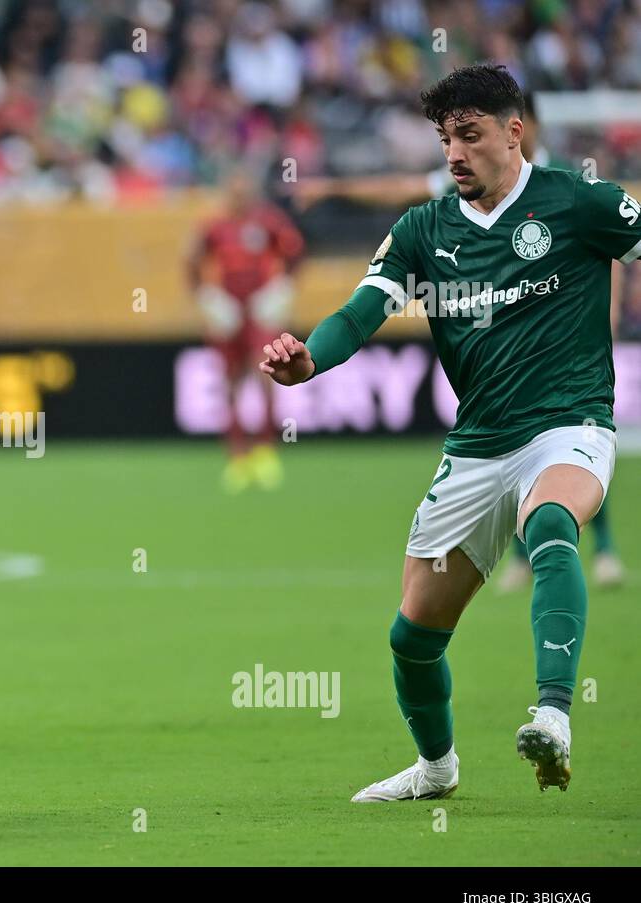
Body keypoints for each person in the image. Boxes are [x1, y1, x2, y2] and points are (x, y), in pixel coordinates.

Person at [259, 65, 640, 799]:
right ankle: (436, 768)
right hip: (477, 447)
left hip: (569, 424)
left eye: (469, 135)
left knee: (552, 521)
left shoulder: (579, 203)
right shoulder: (424, 230)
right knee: (412, 637)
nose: (455, 152)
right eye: (445, 139)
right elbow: (360, 312)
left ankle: (554, 716)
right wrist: (310, 358)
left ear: (513, 132)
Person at [188, 168, 304, 491]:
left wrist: (281, 289)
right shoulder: (215, 226)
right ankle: (237, 455)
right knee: (229, 380)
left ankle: (265, 451)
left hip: (259, 309)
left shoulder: (269, 221)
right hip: (229, 309)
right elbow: (192, 261)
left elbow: (295, 253)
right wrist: (207, 297)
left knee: (265, 374)